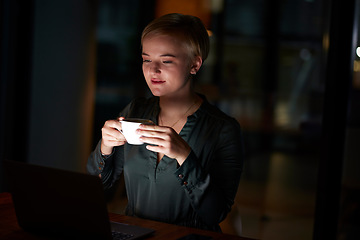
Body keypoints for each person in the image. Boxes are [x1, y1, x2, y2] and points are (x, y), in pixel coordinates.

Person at [87, 13, 244, 232]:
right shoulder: (135, 111)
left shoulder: (222, 129)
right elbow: (96, 185)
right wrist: (105, 147)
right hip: (134, 235)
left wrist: (184, 156)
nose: (153, 70)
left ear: (195, 64)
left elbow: (215, 213)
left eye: (167, 61)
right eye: (147, 59)